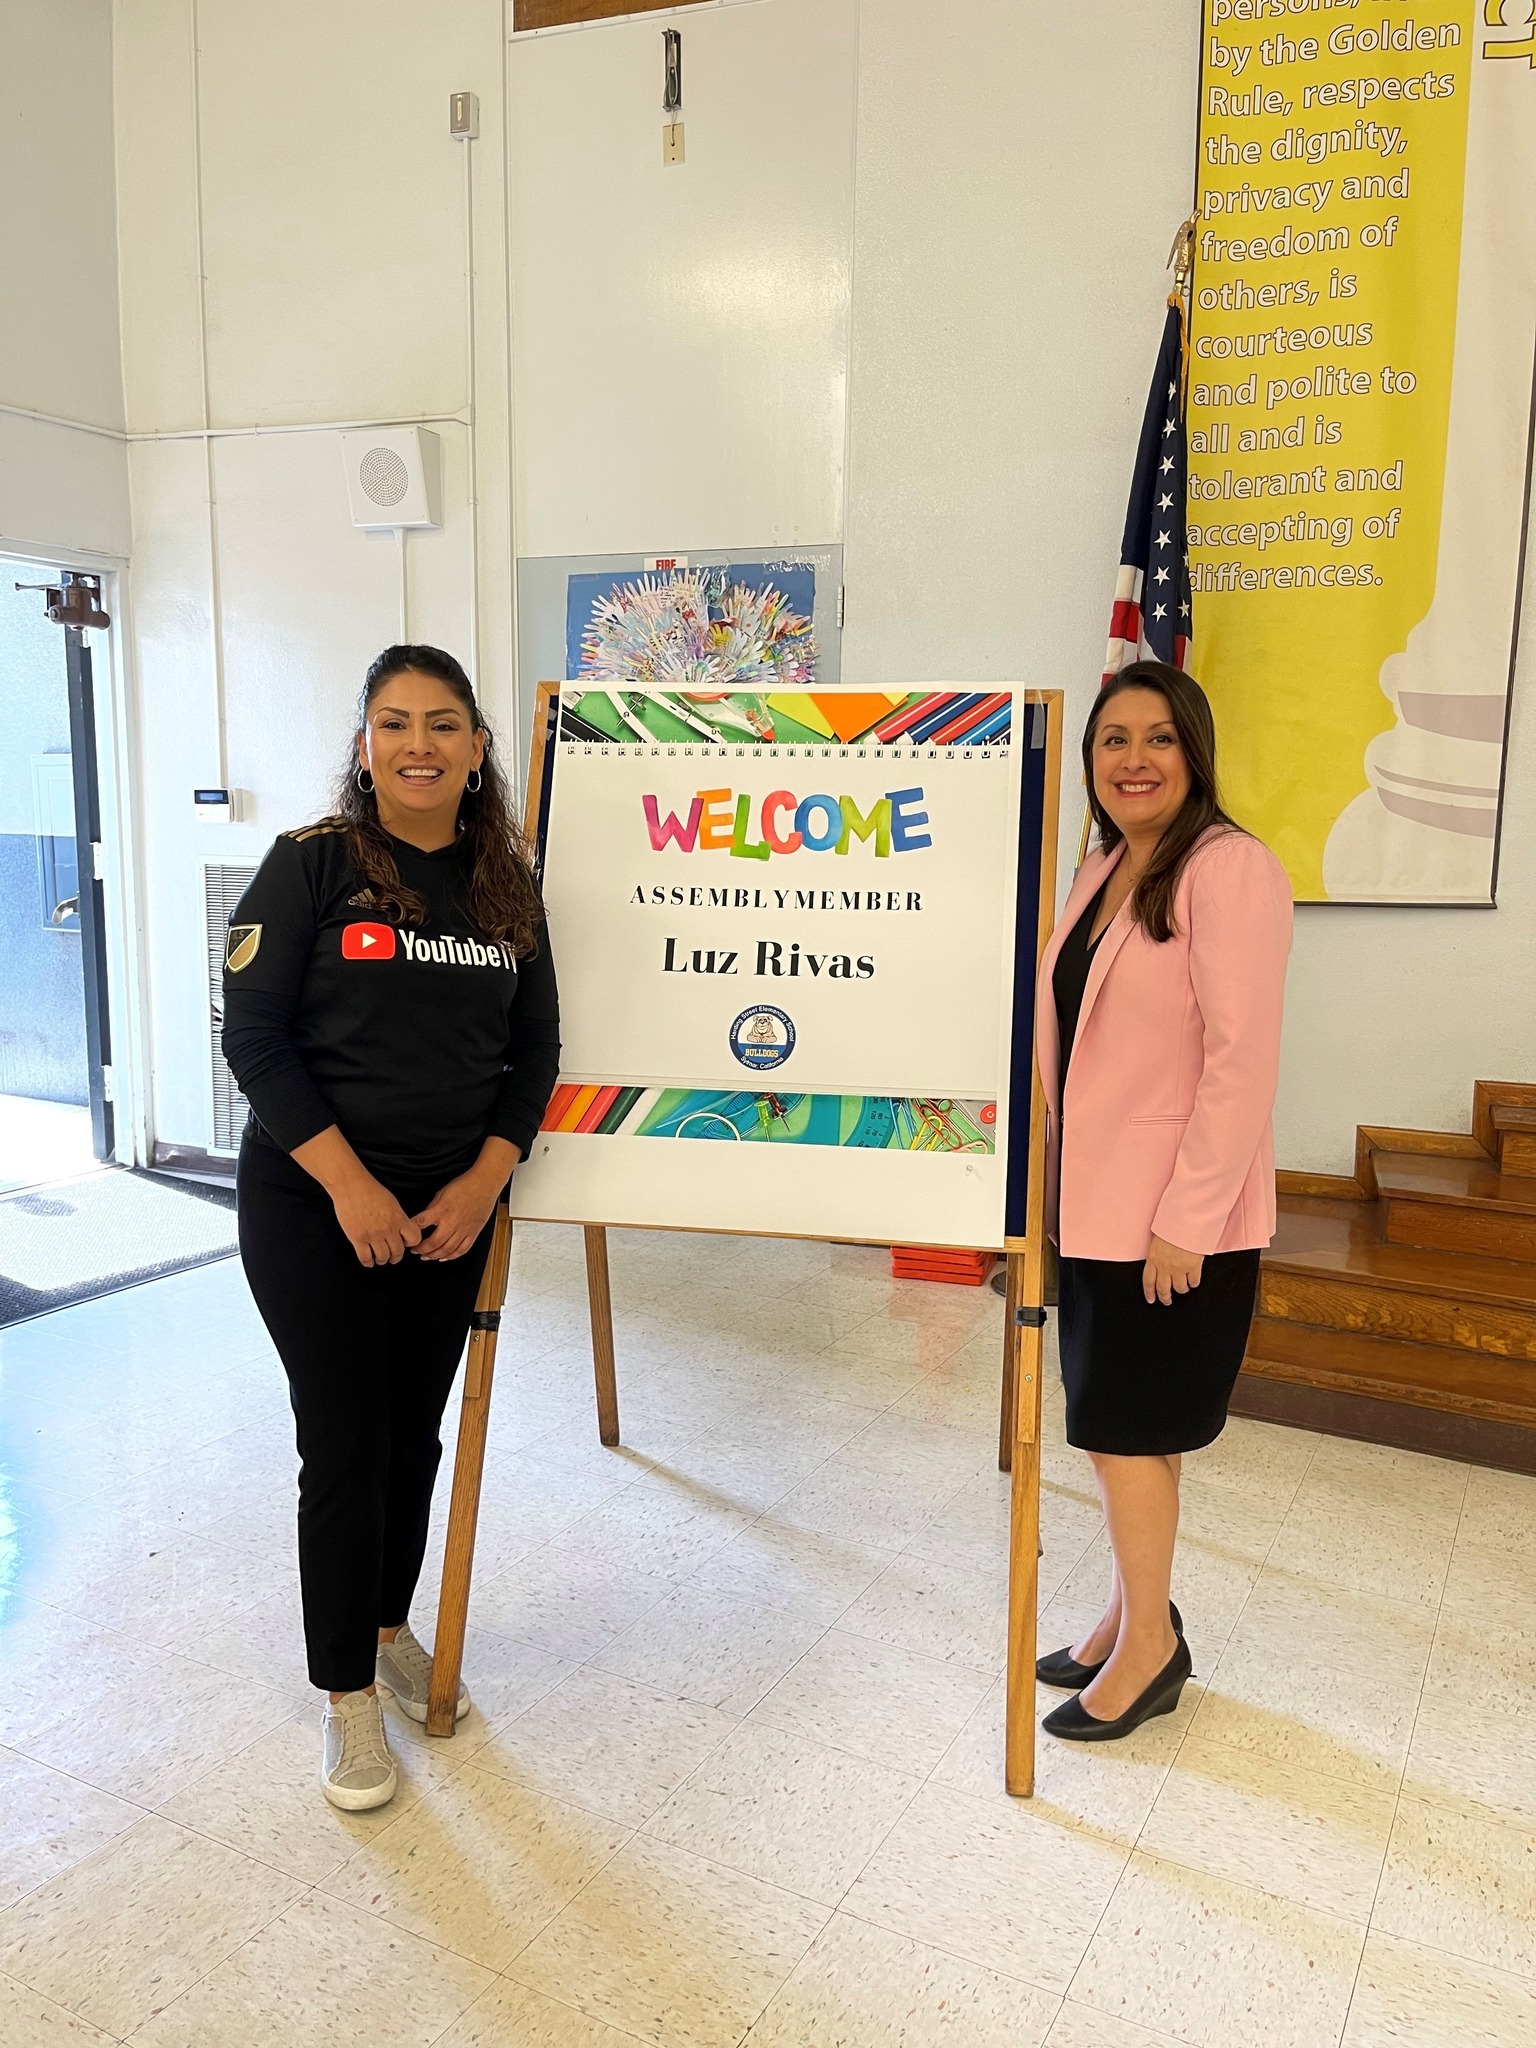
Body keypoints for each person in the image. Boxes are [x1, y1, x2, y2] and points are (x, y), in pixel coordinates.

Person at [223, 645, 560, 1809]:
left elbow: (538, 1053)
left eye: (444, 722)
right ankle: (346, 1703)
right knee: (346, 1445)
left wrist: (482, 1183)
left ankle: (385, 1624)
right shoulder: (312, 866)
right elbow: (254, 1039)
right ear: (365, 743)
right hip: (313, 1208)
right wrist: (349, 1188)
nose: (420, 742)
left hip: (449, 1216)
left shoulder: (505, 880)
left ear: (476, 747)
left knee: (413, 1438)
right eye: (394, 721)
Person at [1034, 658, 1291, 1742]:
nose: (1132, 760)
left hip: (1170, 1224)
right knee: (1125, 1431)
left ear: (1194, 752)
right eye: (1113, 740)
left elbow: (1241, 1061)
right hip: (1091, 1205)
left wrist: (1188, 1217)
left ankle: (1151, 1650)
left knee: (1124, 1431)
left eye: (1158, 738)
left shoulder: (1228, 869)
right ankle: (1129, 1609)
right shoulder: (1101, 867)